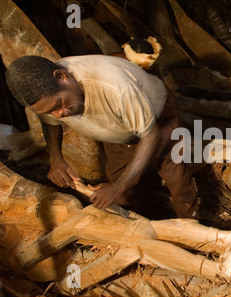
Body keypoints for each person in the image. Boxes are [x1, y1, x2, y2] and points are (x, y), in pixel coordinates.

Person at [6, 54, 199, 220]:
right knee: (121, 195)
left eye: (59, 105)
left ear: (62, 77)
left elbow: (151, 135)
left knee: (177, 181)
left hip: (158, 120)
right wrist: (56, 158)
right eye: (49, 111)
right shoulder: (46, 92)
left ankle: (196, 236)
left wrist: (118, 186)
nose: (58, 115)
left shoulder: (115, 86)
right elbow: (50, 122)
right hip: (118, 132)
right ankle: (144, 231)